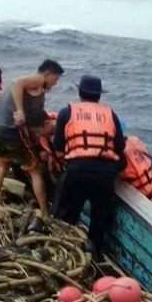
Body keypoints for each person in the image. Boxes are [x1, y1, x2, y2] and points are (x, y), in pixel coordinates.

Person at [51, 75, 125, 256]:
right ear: (99, 96)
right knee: (100, 218)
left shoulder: (67, 112)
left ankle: (62, 251)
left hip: (78, 170)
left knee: (66, 215)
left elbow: (59, 147)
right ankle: (95, 255)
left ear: (79, 92)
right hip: (106, 173)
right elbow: (120, 146)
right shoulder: (110, 114)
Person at [0, 59, 64, 217]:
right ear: (48, 74)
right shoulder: (38, 78)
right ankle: (44, 212)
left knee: (3, 166)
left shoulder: (37, 88)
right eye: (55, 79)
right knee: (34, 169)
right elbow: (17, 83)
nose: (54, 84)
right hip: (9, 130)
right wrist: (20, 111)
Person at [25, 109, 63, 195]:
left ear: (47, 123)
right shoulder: (45, 135)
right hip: (57, 167)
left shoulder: (66, 129)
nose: (38, 135)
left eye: (38, 131)